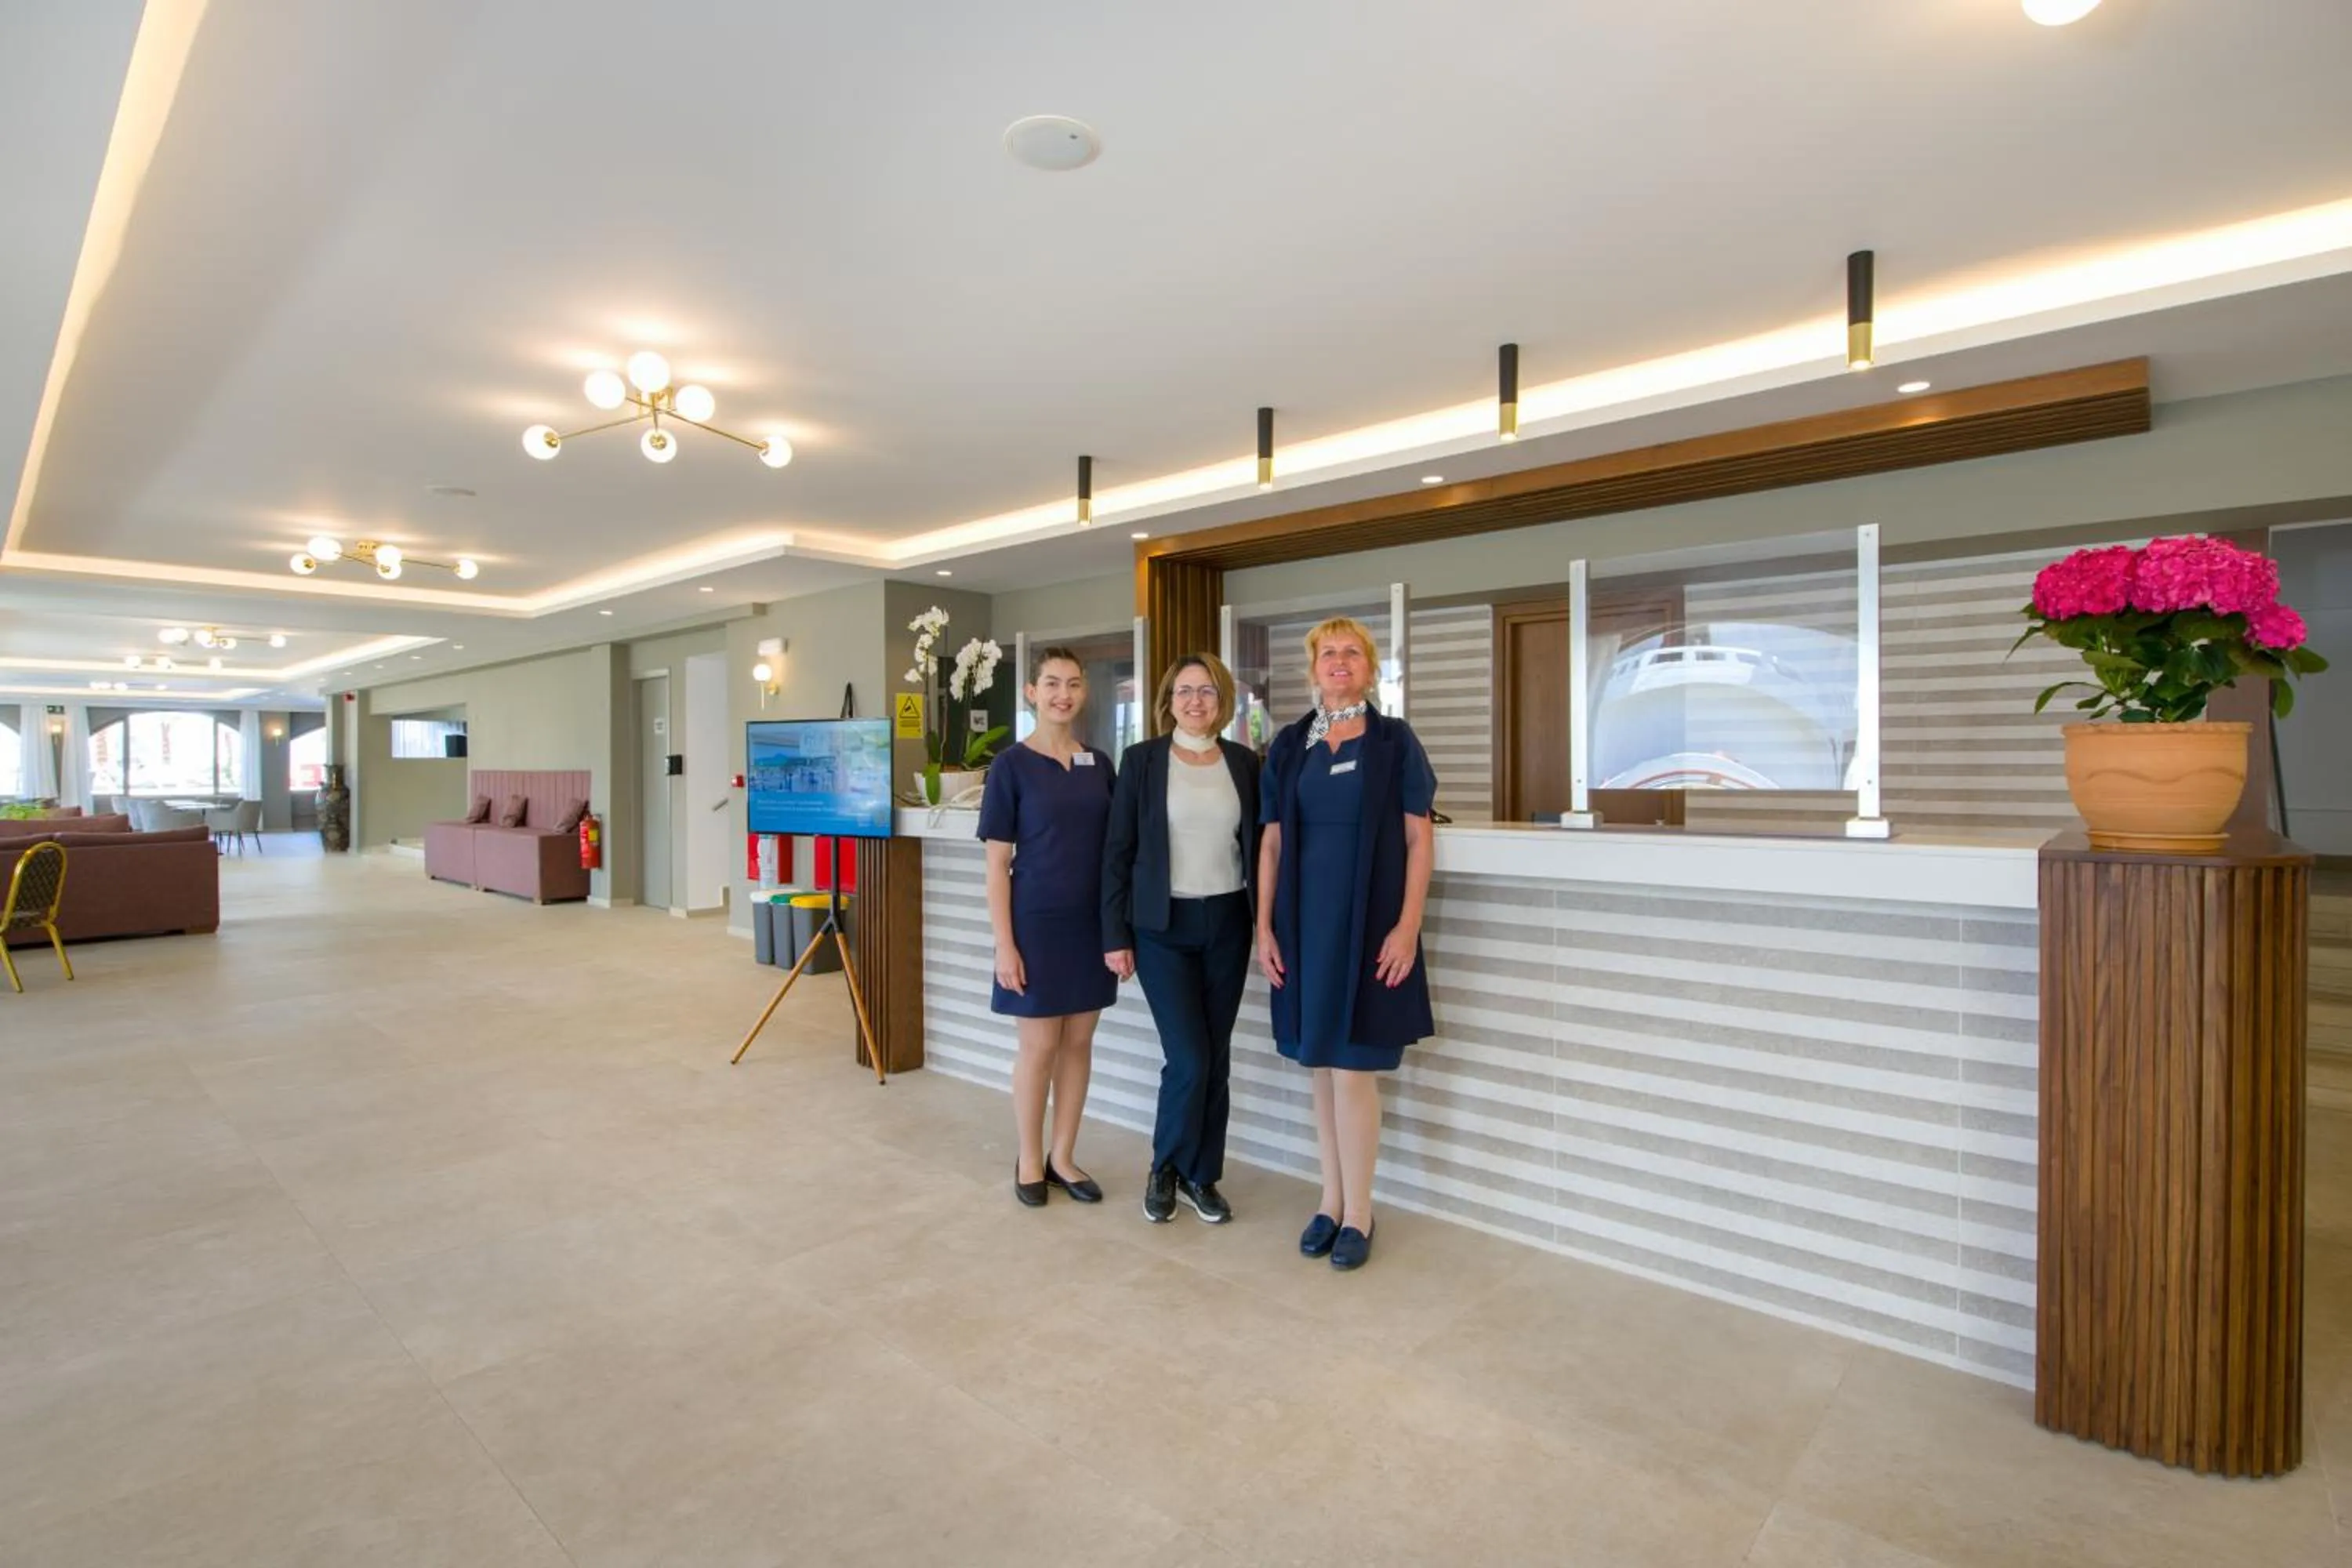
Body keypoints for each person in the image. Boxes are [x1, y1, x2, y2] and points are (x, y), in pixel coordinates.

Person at [1254, 616, 1436, 1272]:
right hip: (1303, 930)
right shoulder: (1289, 745)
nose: (1338, 662)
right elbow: (1271, 843)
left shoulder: (1394, 742)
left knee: (1355, 1070)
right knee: (1321, 1067)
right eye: (1327, 653)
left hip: (1369, 928)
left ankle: (1360, 1211)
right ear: (1312, 668)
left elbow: (1420, 839)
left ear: (1370, 667)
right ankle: (1329, 1201)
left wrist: (1407, 925)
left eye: (1351, 652)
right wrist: (1263, 926)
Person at [1101, 653, 1261, 1226]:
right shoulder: (1142, 761)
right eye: (1186, 691)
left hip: (1227, 924)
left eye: (1208, 692)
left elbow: (1261, 850)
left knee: (1215, 1058)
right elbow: (1117, 852)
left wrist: (1267, 926)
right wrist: (1114, 934)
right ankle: (1164, 1167)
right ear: (1168, 699)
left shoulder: (1244, 762)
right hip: (1161, 928)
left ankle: (1201, 1175)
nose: (1196, 702)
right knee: (1189, 1056)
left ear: (1223, 702)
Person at [979, 646, 1117, 1209]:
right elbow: (996, 865)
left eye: (1074, 684)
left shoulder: (1100, 763)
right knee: (1039, 1046)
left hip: (1090, 926)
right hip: (1034, 924)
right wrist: (1004, 945)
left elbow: (1116, 853)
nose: (1064, 694)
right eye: (1052, 683)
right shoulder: (1011, 766)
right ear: (1031, 692)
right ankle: (1030, 1157)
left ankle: (1064, 1155)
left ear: (1084, 692)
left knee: (1079, 1043)